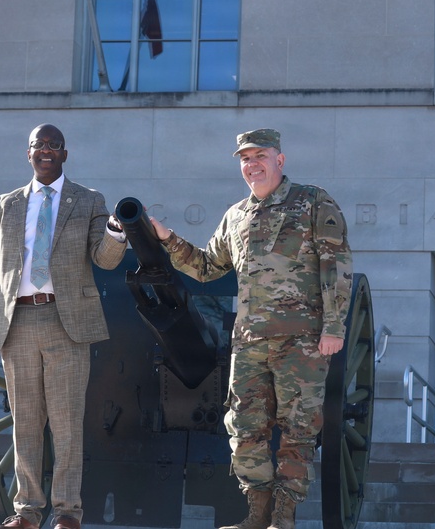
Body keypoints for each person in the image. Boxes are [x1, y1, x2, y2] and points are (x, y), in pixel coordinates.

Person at [148, 128, 352, 529]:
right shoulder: (236, 215)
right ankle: (256, 515)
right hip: (250, 344)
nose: (251, 164)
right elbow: (207, 268)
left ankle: (283, 517)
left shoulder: (312, 201)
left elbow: (336, 264)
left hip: (303, 340)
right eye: (244, 158)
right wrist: (168, 240)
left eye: (260, 155)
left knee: (298, 429)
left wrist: (334, 326)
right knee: (244, 428)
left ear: (280, 159)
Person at [0, 123, 127, 529]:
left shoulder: (89, 200)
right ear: (28, 154)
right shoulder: (5, 204)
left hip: (66, 321)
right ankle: (26, 512)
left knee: (66, 423)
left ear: (64, 154)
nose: (45, 150)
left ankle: (67, 512)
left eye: (53, 145)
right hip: (16, 322)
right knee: (25, 424)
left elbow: (105, 258)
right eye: (38, 145)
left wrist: (115, 233)